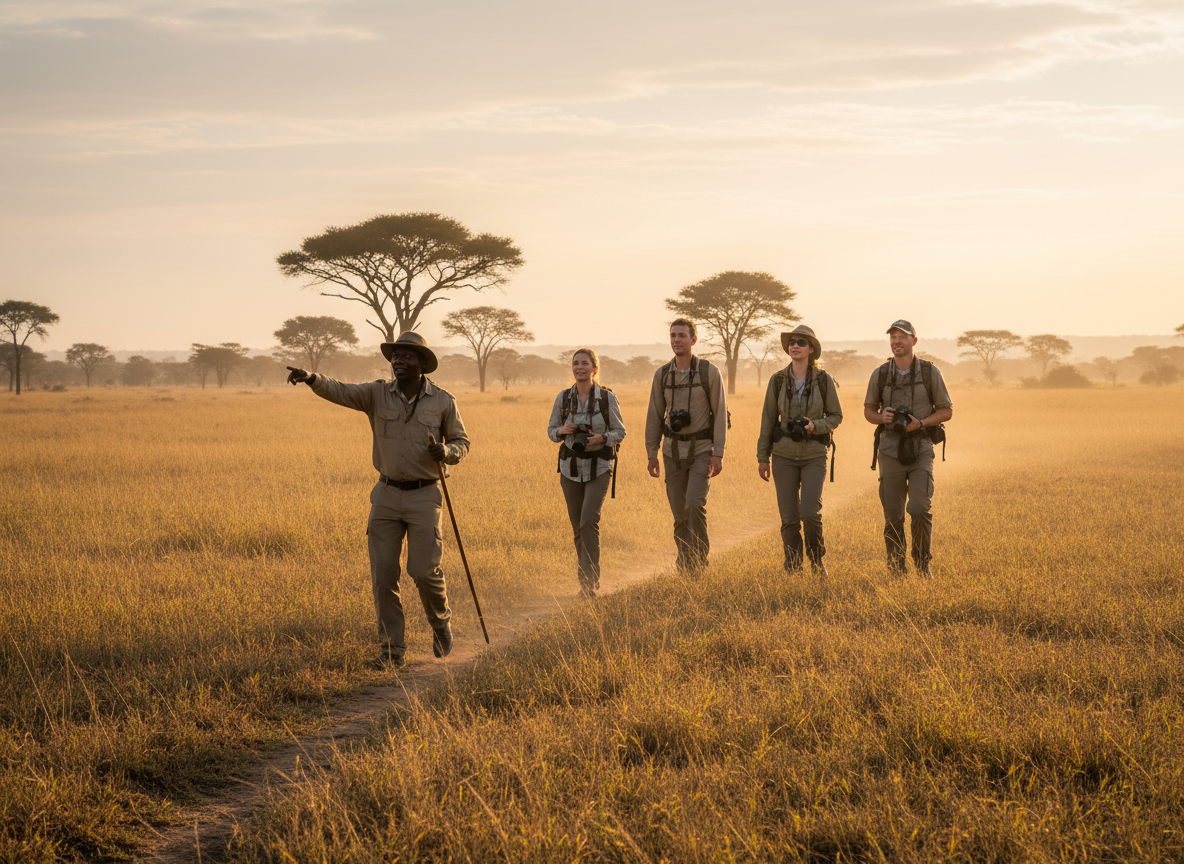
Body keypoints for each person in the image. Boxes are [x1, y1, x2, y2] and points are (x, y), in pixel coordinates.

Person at [285, 331, 469, 669]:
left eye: (406, 356)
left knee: (423, 570)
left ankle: (440, 623)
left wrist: (446, 451)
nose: (398, 361)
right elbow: (341, 390)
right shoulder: (376, 394)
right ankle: (391, 651)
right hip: (385, 494)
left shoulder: (443, 401)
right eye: (394, 356)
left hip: (425, 494)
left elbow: (461, 442)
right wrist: (311, 378)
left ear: (421, 363)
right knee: (384, 575)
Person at [863, 320, 953, 578]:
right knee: (893, 514)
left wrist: (921, 423)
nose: (897, 341)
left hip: (921, 448)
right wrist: (882, 418)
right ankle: (896, 569)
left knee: (919, 507)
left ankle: (923, 565)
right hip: (889, 450)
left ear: (914, 341)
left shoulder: (929, 372)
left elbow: (947, 411)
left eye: (902, 337)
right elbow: (868, 410)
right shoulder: (880, 374)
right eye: (893, 337)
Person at [756, 325, 843, 576]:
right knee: (789, 517)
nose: (795, 345)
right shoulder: (778, 380)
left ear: (811, 349)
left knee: (810, 512)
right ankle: (793, 567)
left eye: (801, 342)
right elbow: (767, 420)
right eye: (792, 342)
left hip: (814, 454)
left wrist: (816, 426)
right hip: (783, 455)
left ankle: (817, 561)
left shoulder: (824, 380)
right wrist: (763, 458)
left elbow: (837, 416)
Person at [645, 318, 728, 572]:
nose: (676, 340)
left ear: (693, 340)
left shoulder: (708, 372)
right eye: (672, 335)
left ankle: (699, 562)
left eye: (682, 335)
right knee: (679, 514)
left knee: (694, 505)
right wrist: (652, 453)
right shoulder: (662, 375)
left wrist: (718, 453)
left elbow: (721, 415)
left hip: (702, 451)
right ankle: (685, 562)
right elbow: (654, 416)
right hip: (671, 452)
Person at [547, 348, 627, 598]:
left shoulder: (606, 398)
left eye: (585, 364)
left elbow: (620, 431)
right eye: (575, 364)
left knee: (588, 522)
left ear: (595, 369)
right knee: (577, 528)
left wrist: (601, 438)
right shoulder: (563, 398)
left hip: (599, 468)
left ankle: (590, 581)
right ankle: (585, 580)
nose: (579, 367)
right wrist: (563, 430)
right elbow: (550, 431)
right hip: (569, 469)